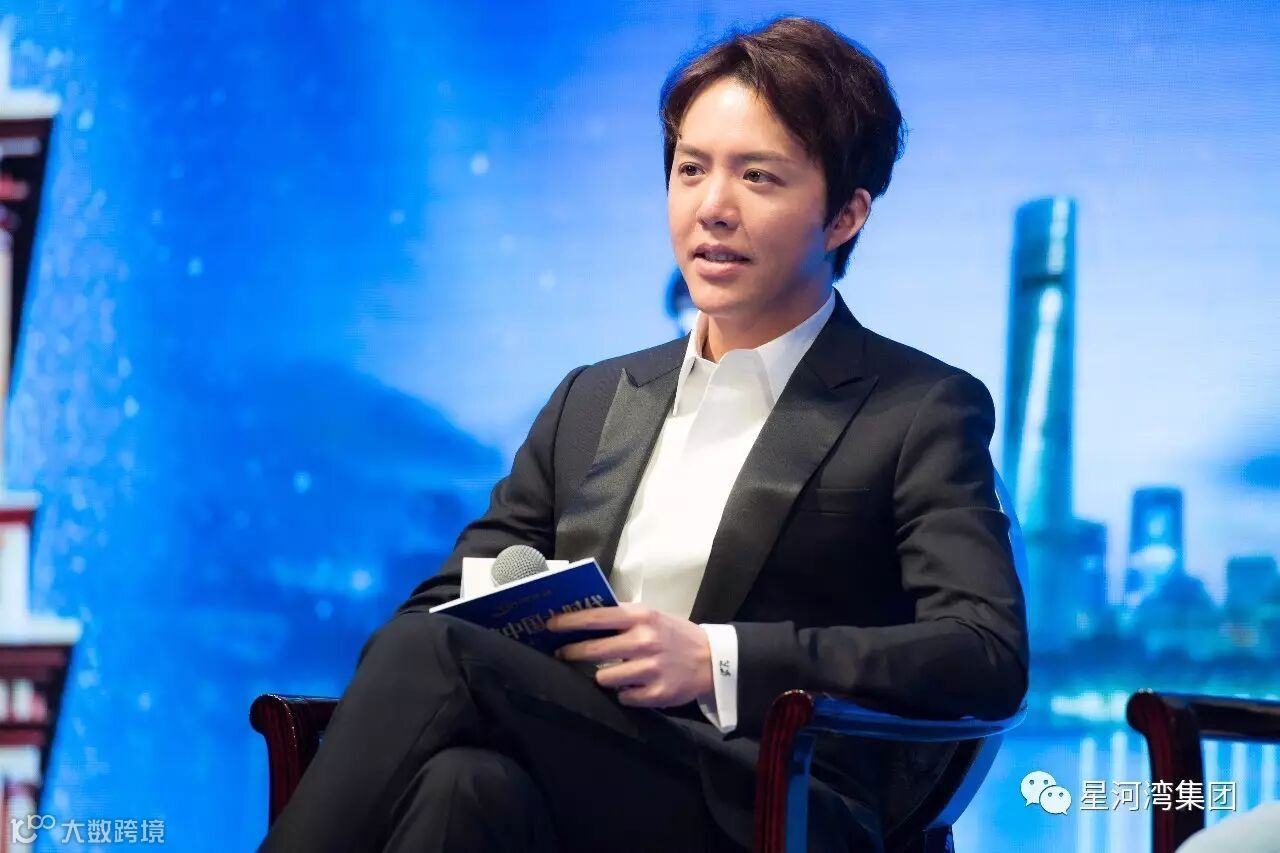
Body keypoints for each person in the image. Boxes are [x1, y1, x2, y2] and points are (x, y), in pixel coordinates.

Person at [259, 16, 1028, 853]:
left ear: (844, 215)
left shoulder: (917, 406)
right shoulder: (593, 399)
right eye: (691, 169)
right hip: (580, 775)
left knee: (434, 657)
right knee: (463, 783)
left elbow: (983, 653)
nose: (713, 208)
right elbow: (441, 605)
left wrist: (717, 660)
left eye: (758, 176)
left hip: (767, 801)